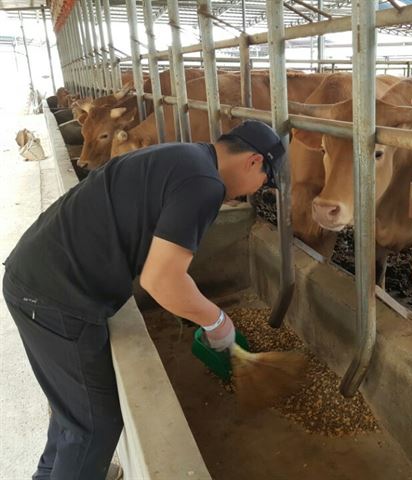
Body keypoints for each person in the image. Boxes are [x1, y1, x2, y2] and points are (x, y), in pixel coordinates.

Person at [2, 120, 285, 480]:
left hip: (37, 274)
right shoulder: (205, 185)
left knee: (73, 411)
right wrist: (217, 321)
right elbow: (160, 280)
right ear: (253, 161)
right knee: (95, 426)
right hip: (56, 295)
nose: (257, 189)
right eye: (265, 180)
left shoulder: (185, 156)